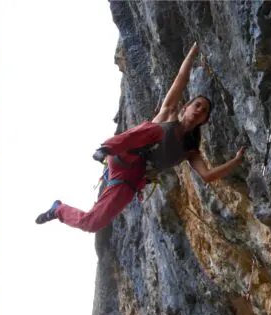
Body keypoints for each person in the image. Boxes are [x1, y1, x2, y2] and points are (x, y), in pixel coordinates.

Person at [35, 43, 244, 232]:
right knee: (155, 128)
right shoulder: (169, 114)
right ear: (187, 106)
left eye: (204, 110)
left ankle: (57, 210)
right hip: (123, 155)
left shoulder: (191, 149)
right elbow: (181, 78)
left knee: (93, 223)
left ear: (205, 120)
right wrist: (194, 49)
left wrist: (236, 160)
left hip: (130, 179)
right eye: (197, 105)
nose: (199, 110)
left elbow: (207, 176)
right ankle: (105, 148)